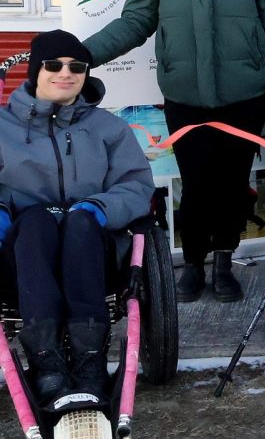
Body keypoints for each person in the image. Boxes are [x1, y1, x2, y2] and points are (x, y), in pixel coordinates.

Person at [84, 0, 265, 303]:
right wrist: (79, 54)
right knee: (196, 184)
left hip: (245, 97)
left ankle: (224, 261)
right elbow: (134, 24)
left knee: (234, 183)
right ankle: (194, 262)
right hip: (186, 98)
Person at [1, 31, 155, 407]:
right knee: (37, 222)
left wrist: (100, 207)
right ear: (36, 71)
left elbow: (136, 184)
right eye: (54, 65)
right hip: (22, 251)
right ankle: (46, 362)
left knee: (80, 223)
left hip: (93, 247)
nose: (65, 73)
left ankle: (90, 361)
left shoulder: (107, 128)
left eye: (76, 67)